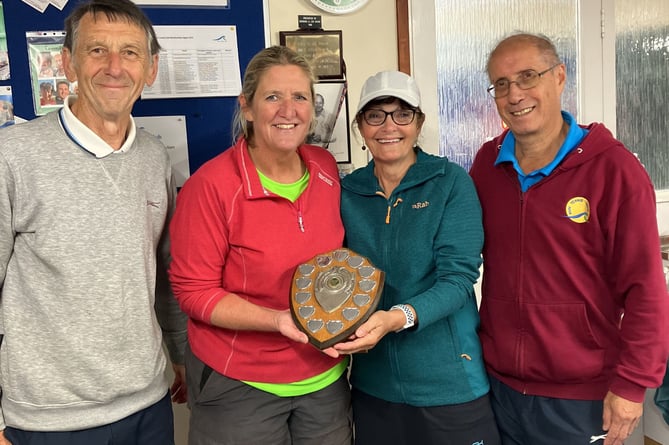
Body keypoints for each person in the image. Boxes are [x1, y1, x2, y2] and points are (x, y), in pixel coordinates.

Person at [0, 1, 188, 444]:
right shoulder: (13, 156)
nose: (114, 67)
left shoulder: (155, 159)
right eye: (97, 50)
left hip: (147, 402)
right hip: (49, 418)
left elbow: (165, 273)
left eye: (130, 52)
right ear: (67, 60)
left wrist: (179, 354)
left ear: (151, 68)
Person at [469, 32, 669, 445]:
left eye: (528, 76)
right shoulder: (486, 166)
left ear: (559, 77)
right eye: (501, 84)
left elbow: (646, 290)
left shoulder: (614, 171)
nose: (515, 94)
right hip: (500, 388)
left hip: (582, 394)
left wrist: (632, 385)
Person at [168, 45, 352, 445]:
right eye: (273, 97)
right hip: (239, 383)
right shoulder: (211, 186)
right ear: (247, 107)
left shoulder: (325, 169)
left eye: (300, 97)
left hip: (325, 381)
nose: (289, 110)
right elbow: (192, 291)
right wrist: (276, 320)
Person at [331, 70, 501, 445]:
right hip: (373, 386)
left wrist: (398, 317)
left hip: (449, 382)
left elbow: (458, 280)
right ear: (360, 126)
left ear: (418, 122)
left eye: (402, 113)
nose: (389, 126)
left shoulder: (450, 182)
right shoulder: (346, 191)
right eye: (375, 115)